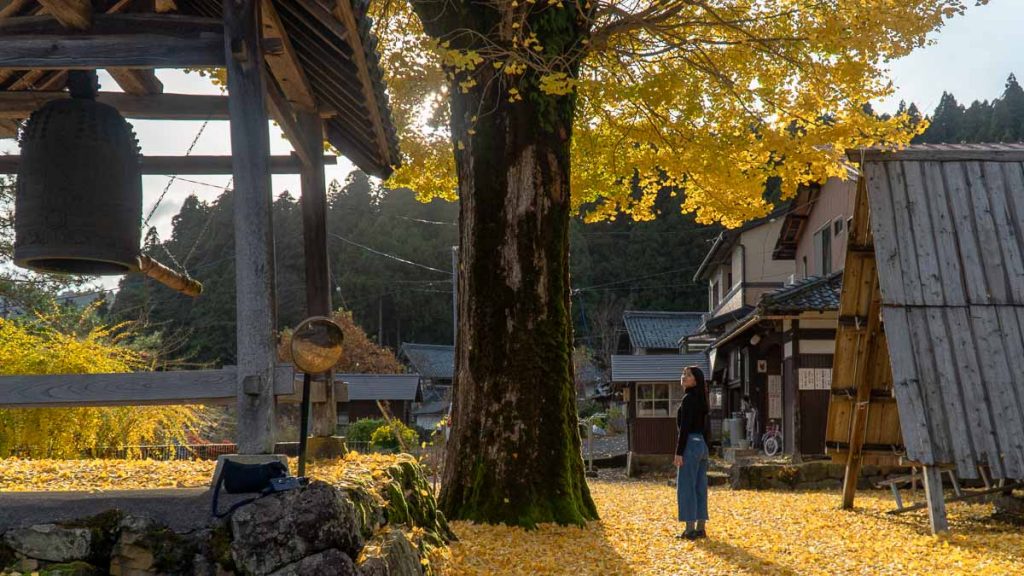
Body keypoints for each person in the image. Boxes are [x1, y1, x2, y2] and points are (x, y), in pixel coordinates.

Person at [674, 365, 709, 540]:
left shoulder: (688, 399)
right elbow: (705, 427)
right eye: (684, 374)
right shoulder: (702, 399)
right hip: (702, 444)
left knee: (687, 487)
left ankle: (689, 529)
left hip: (690, 445)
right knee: (700, 487)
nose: (683, 377)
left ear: (695, 381)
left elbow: (684, 428)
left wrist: (678, 452)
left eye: (687, 375)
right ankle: (701, 527)